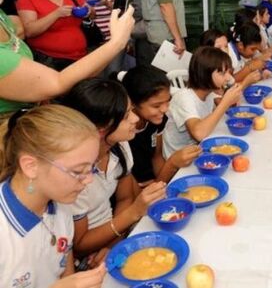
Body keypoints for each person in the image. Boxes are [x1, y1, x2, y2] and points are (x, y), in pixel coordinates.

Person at [0, 0, 135, 119]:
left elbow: (89, 15)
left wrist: (88, 12)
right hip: (52, 63)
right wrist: (117, 42)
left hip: (78, 57)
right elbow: (29, 31)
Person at [0, 105, 109, 287]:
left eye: (90, 168)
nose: (88, 180)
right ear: (31, 166)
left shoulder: (60, 206)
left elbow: (65, 271)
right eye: (78, 171)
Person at [60, 78, 166, 264]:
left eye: (132, 110)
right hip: (87, 256)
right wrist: (133, 213)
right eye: (126, 116)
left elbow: (125, 198)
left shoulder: (119, 147)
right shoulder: (74, 175)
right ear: (100, 129)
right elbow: (80, 244)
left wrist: (114, 242)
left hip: (115, 235)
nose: (135, 118)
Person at [122, 66, 202, 186]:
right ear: (132, 103)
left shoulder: (157, 121)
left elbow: (157, 157)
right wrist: (172, 164)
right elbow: (136, 194)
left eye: (168, 101)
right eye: (156, 106)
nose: (165, 109)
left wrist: (163, 180)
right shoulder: (122, 136)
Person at [162, 47, 243, 158]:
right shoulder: (184, 98)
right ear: (204, 74)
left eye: (229, 72)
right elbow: (198, 134)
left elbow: (229, 109)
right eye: (223, 73)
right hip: (179, 161)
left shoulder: (209, 93)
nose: (228, 78)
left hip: (199, 150)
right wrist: (226, 102)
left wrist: (231, 99)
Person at [16, 0, 87, 71]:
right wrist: (56, 14)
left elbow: (87, 10)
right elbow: (29, 31)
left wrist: (89, 11)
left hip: (80, 56)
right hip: (51, 61)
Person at [75, 0, 125, 77]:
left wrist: (108, 5)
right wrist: (89, 12)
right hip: (93, 40)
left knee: (113, 74)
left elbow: (123, 13)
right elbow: (81, 13)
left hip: (113, 39)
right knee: (97, 75)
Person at [138, 0, 187, 64]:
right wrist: (177, 38)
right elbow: (165, 4)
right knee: (174, 77)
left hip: (155, 33)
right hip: (167, 36)